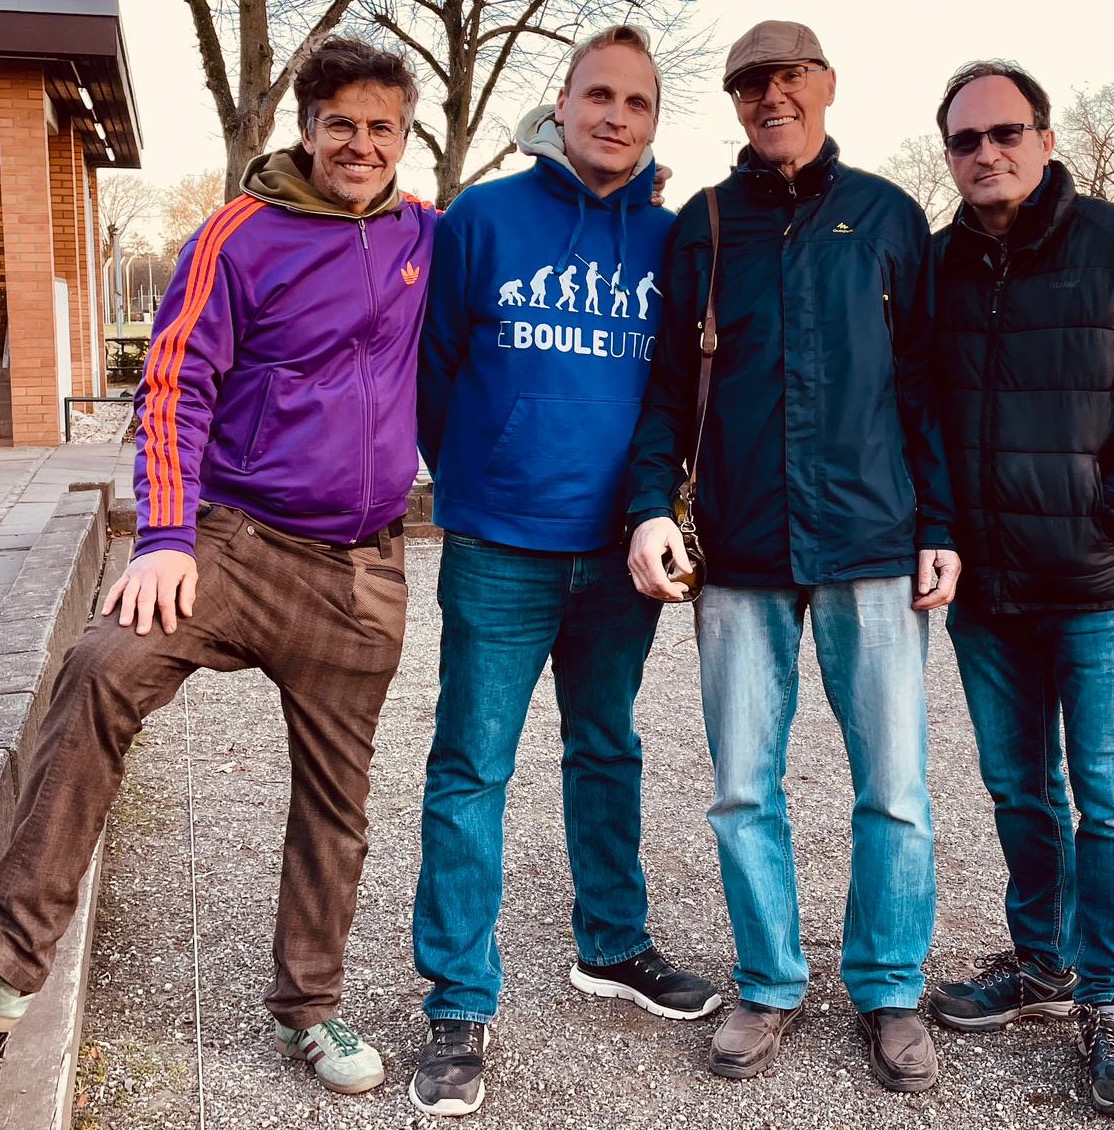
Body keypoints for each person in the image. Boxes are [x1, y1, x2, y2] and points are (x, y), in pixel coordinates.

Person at [0, 38, 437, 1098]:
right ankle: (4, 960)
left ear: (405, 139)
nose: (362, 144)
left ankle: (310, 1008)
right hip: (237, 542)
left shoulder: (424, 236)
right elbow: (172, 387)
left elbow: (518, 250)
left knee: (337, 799)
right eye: (342, 123)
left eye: (382, 128)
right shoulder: (237, 236)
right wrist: (166, 537)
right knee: (101, 665)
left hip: (360, 572)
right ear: (307, 128)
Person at [625, 20, 959, 1093]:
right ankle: (768, 980)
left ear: (825, 85)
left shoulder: (888, 215)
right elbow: (666, 386)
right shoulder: (704, 223)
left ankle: (890, 985)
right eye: (749, 85)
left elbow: (925, 387)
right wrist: (649, 505)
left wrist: (940, 525)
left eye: (789, 79)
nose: (771, 97)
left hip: (871, 539)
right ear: (735, 103)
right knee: (740, 789)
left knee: (895, 788)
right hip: (741, 545)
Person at [409, 24, 719, 1119]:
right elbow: (432, 368)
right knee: (470, 766)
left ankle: (613, 945)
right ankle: (458, 999)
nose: (616, 117)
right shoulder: (482, 219)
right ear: (564, 103)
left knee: (606, 747)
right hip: (499, 546)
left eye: (638, 102)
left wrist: (651, 508)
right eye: (600, 95)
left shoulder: (672, 240)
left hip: (619, 550)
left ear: (653, 120)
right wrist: (480, 476)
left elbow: (676, 391)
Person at [925, 60, 1114, 1118]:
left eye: (1005, 132)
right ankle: (1041, 962)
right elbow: (922, 409)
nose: (986, 152)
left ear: (1044, 140)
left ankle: (1110, 997)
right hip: (988, 592)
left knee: (1113, 800)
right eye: (965, 139)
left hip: (1099, 584)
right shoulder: (938, 263)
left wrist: (1110, 507)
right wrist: (941, 530)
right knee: (1018, 788)